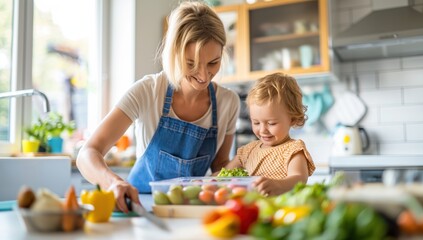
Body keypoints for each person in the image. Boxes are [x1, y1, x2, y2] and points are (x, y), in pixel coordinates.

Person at [76, 1, 240, 213]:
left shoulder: (228, 102)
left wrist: (242, 165)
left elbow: (219, 166)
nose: (203, 76)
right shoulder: (147, 91)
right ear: (173, 53)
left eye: (213, 63)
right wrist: (113, 182)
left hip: (192, 209)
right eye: (191, 64)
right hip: (140, 207)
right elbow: (87, 153)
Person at [220, 73, 315, 196]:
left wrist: (279, 185)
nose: (263, 130)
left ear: (292, 119)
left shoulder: (294, 150)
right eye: (256, 122)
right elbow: (225, 173)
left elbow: (299, 178)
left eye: (271, 123)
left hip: (280, 210)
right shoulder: (248, 151)